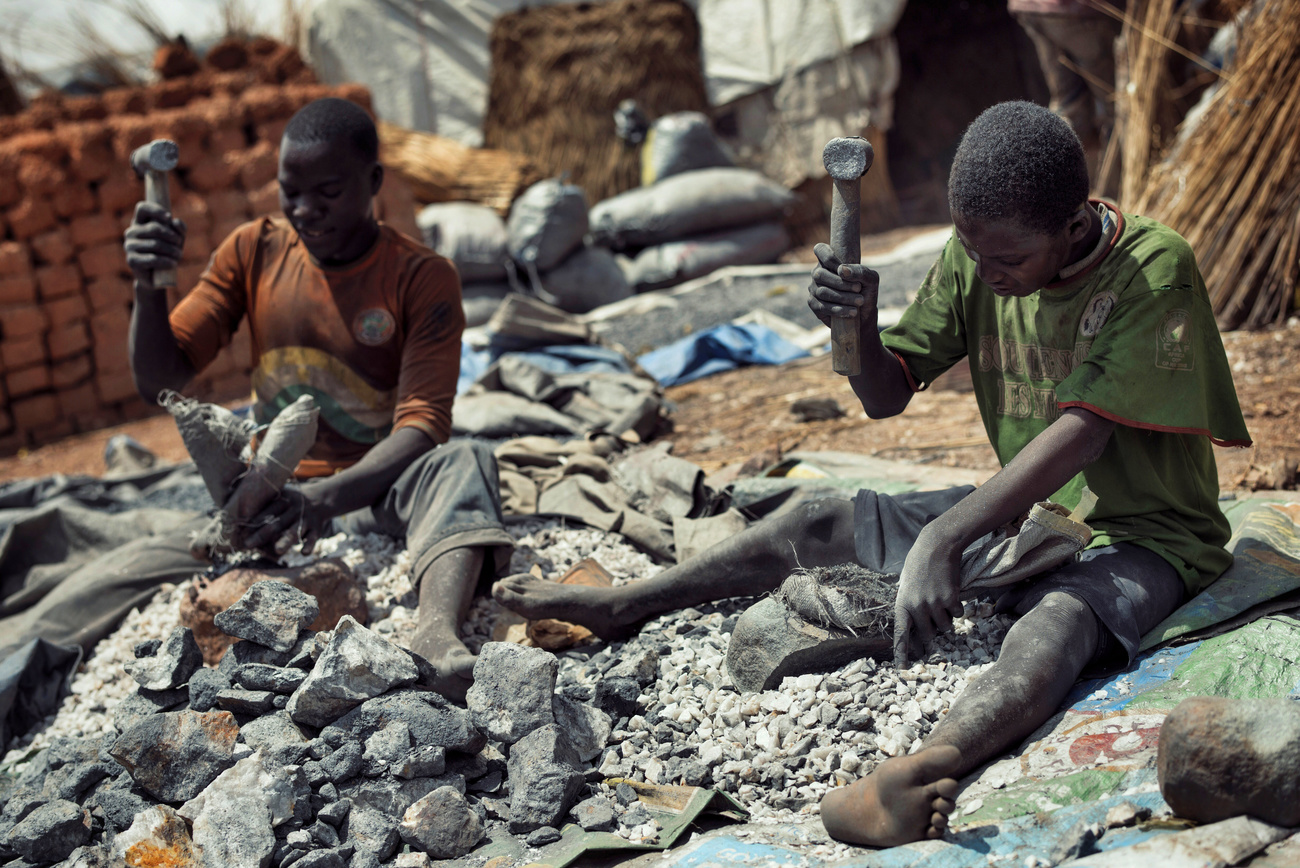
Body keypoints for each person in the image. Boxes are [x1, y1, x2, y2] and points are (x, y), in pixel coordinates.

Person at [492, 101, 1250, 845]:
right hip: (1032, 512)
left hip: (1148, 532)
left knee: (1055, 624)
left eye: (1009, 259)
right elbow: (888, 394)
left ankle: (920, 770)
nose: (986, 275)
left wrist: (946, 537)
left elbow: (1083, 436)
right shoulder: (978, 259)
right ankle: (630, 603)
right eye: (971, 251)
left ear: (1076, 225)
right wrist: (855, 327)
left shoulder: (1153, 268)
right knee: (811, 516)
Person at [124, 97, 513, 699]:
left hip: (373, 488)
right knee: (128, 563)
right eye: (290, 191)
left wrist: (322, 500)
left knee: (466, 460)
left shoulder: (420, 275)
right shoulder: (252, 250)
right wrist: (148, 286)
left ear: (374, 182)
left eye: (328, 191)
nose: (305, 210)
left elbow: (422, 425)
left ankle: (435, 631)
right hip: (267, 496)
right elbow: (160, 379)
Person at [1009, 0, 1122, 191]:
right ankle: (1114, 192)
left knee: (1069, 106)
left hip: (1031, 8)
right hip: (1074, 10)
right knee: (1116, 106)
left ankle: (1040, 192)